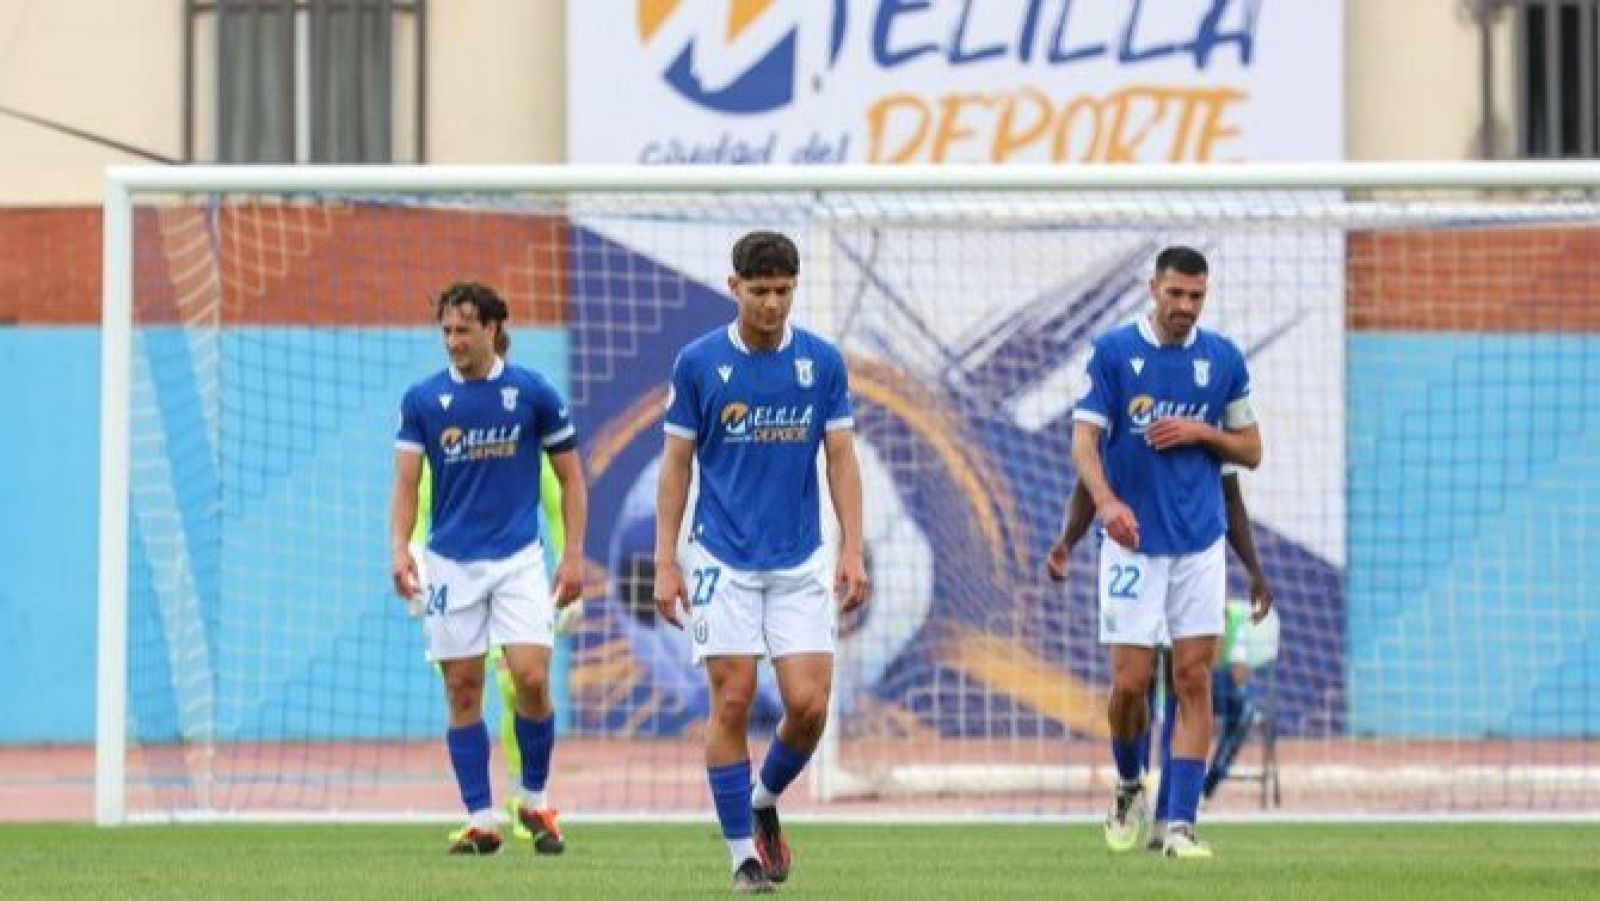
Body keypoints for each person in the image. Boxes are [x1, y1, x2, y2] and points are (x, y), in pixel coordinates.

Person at [654, 231, 869, 893]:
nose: (772, 303)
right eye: (760, 290)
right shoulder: (698, 363)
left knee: (807, 706)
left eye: (783, 290)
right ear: (734, 288)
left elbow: (839, 456)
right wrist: (666, 559)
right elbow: (677, 464)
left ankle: (763, 796)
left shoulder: (821, 364)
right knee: (734, 696)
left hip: (800, 558)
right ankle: (742, 855)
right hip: (722, 557)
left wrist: (852, 547)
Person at [1063, 246, 1262, 858]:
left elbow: (1249, 452)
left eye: (1195, 296)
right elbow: (1084, 446)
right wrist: (1106, 506)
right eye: (1174, 294)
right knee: (1131, 684)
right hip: (1132, 545)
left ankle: (1180, 824)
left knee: (1193, 677)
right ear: (1153, 289)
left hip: (1199, 544)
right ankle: (1128, 784)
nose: (1184, 306)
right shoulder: (1115, 354)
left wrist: (1202, 432)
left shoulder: (1223, 359)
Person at [391, 281, 587, 855]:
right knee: (462, 688)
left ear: (493, 328)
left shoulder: (532, 393)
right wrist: (400, 547)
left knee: (530, 677)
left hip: (520, 561)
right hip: (450, 566)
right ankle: (480, 817)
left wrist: (573, 553)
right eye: (447, 331)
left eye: (464, 330)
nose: (453, 341)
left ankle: (534, 797)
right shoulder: (423, 401)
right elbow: (405, 484)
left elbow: (571, 478)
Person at [1046, 465, 1273, 846]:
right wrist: (1068, 540)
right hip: (1134, 556)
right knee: (1135, 684)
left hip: (1188, 558)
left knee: (1183, 683)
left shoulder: (1207, 412)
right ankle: (1130, 783)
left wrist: (1254, 568)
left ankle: (1172, 817)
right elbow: (1091, 473)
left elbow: (1230, 489)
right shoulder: (1123, 411)